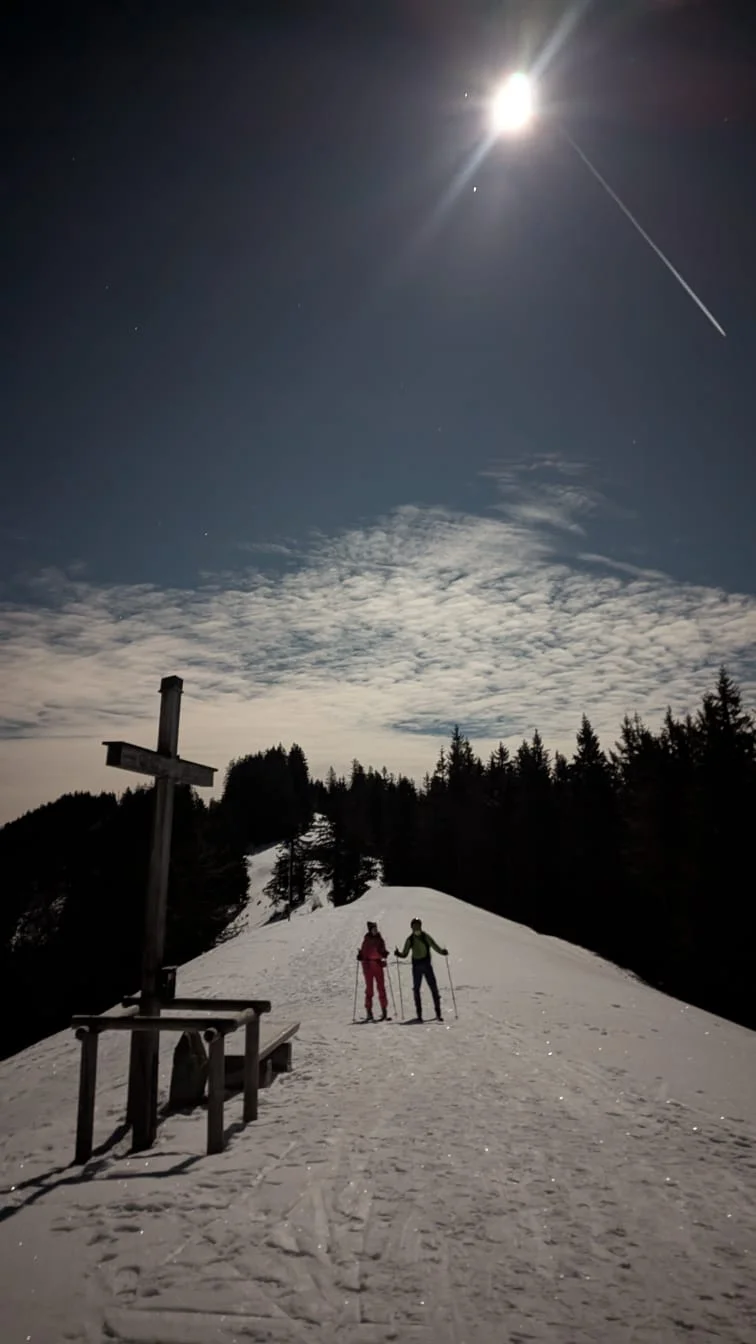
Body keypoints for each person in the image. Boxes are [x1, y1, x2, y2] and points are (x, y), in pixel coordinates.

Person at [394, 918, 448, 1022]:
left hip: (423, 965)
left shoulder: (423, 937)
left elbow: (434, 945)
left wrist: (442, 952)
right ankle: (421, 1015)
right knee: (420, 989)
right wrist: (399, 954)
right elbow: (404, 954)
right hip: (419, 966)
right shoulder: (412, 939)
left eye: (418, 926)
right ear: (412, 927)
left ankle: (437, 1013)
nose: (416, 928)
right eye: (415, 926)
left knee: (431, 988)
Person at [357, 920, 390, 1021]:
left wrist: (384, 954)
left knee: (381, 988)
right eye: (373, 929)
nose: (375, 930)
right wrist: (360, 955)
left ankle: (384, 1010)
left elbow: (383, 950)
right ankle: (369, 1011)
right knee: (369, 989)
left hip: (378, 965)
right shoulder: (366, 940)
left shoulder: (380, 940)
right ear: (370, 930)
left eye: (376, 928)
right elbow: (363, 952)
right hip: (368, 966)